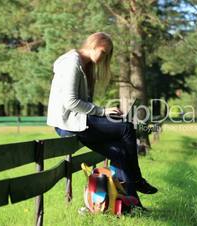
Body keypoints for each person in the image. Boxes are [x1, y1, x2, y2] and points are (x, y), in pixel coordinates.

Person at [46, 32, 158, 197]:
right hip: (69, 123)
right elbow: (71, 102)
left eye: (107, 55)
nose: (104, 58)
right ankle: (137, 179)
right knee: (126, 128)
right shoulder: (72, 63)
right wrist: (102, 111)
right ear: (93, 44)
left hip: (76, 121)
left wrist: (103, 113)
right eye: (103, 52)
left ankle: (132, 203)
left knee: (120, 152)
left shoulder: (83, 65)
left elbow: (82, 104)